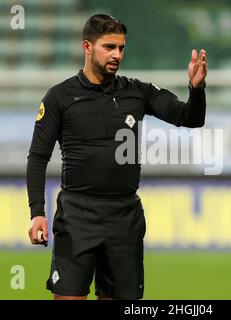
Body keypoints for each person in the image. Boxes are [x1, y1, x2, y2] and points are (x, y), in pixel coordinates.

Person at [26, 13, 207, 300]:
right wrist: (37, 213)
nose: (117, 55)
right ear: (87, 47)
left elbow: (189, 118)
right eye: (109, 47)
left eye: (121, 48)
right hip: (77, 216)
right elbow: (38, 157)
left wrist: (196, 90)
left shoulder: (137, 92)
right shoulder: (59, 97)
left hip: (125, 217)